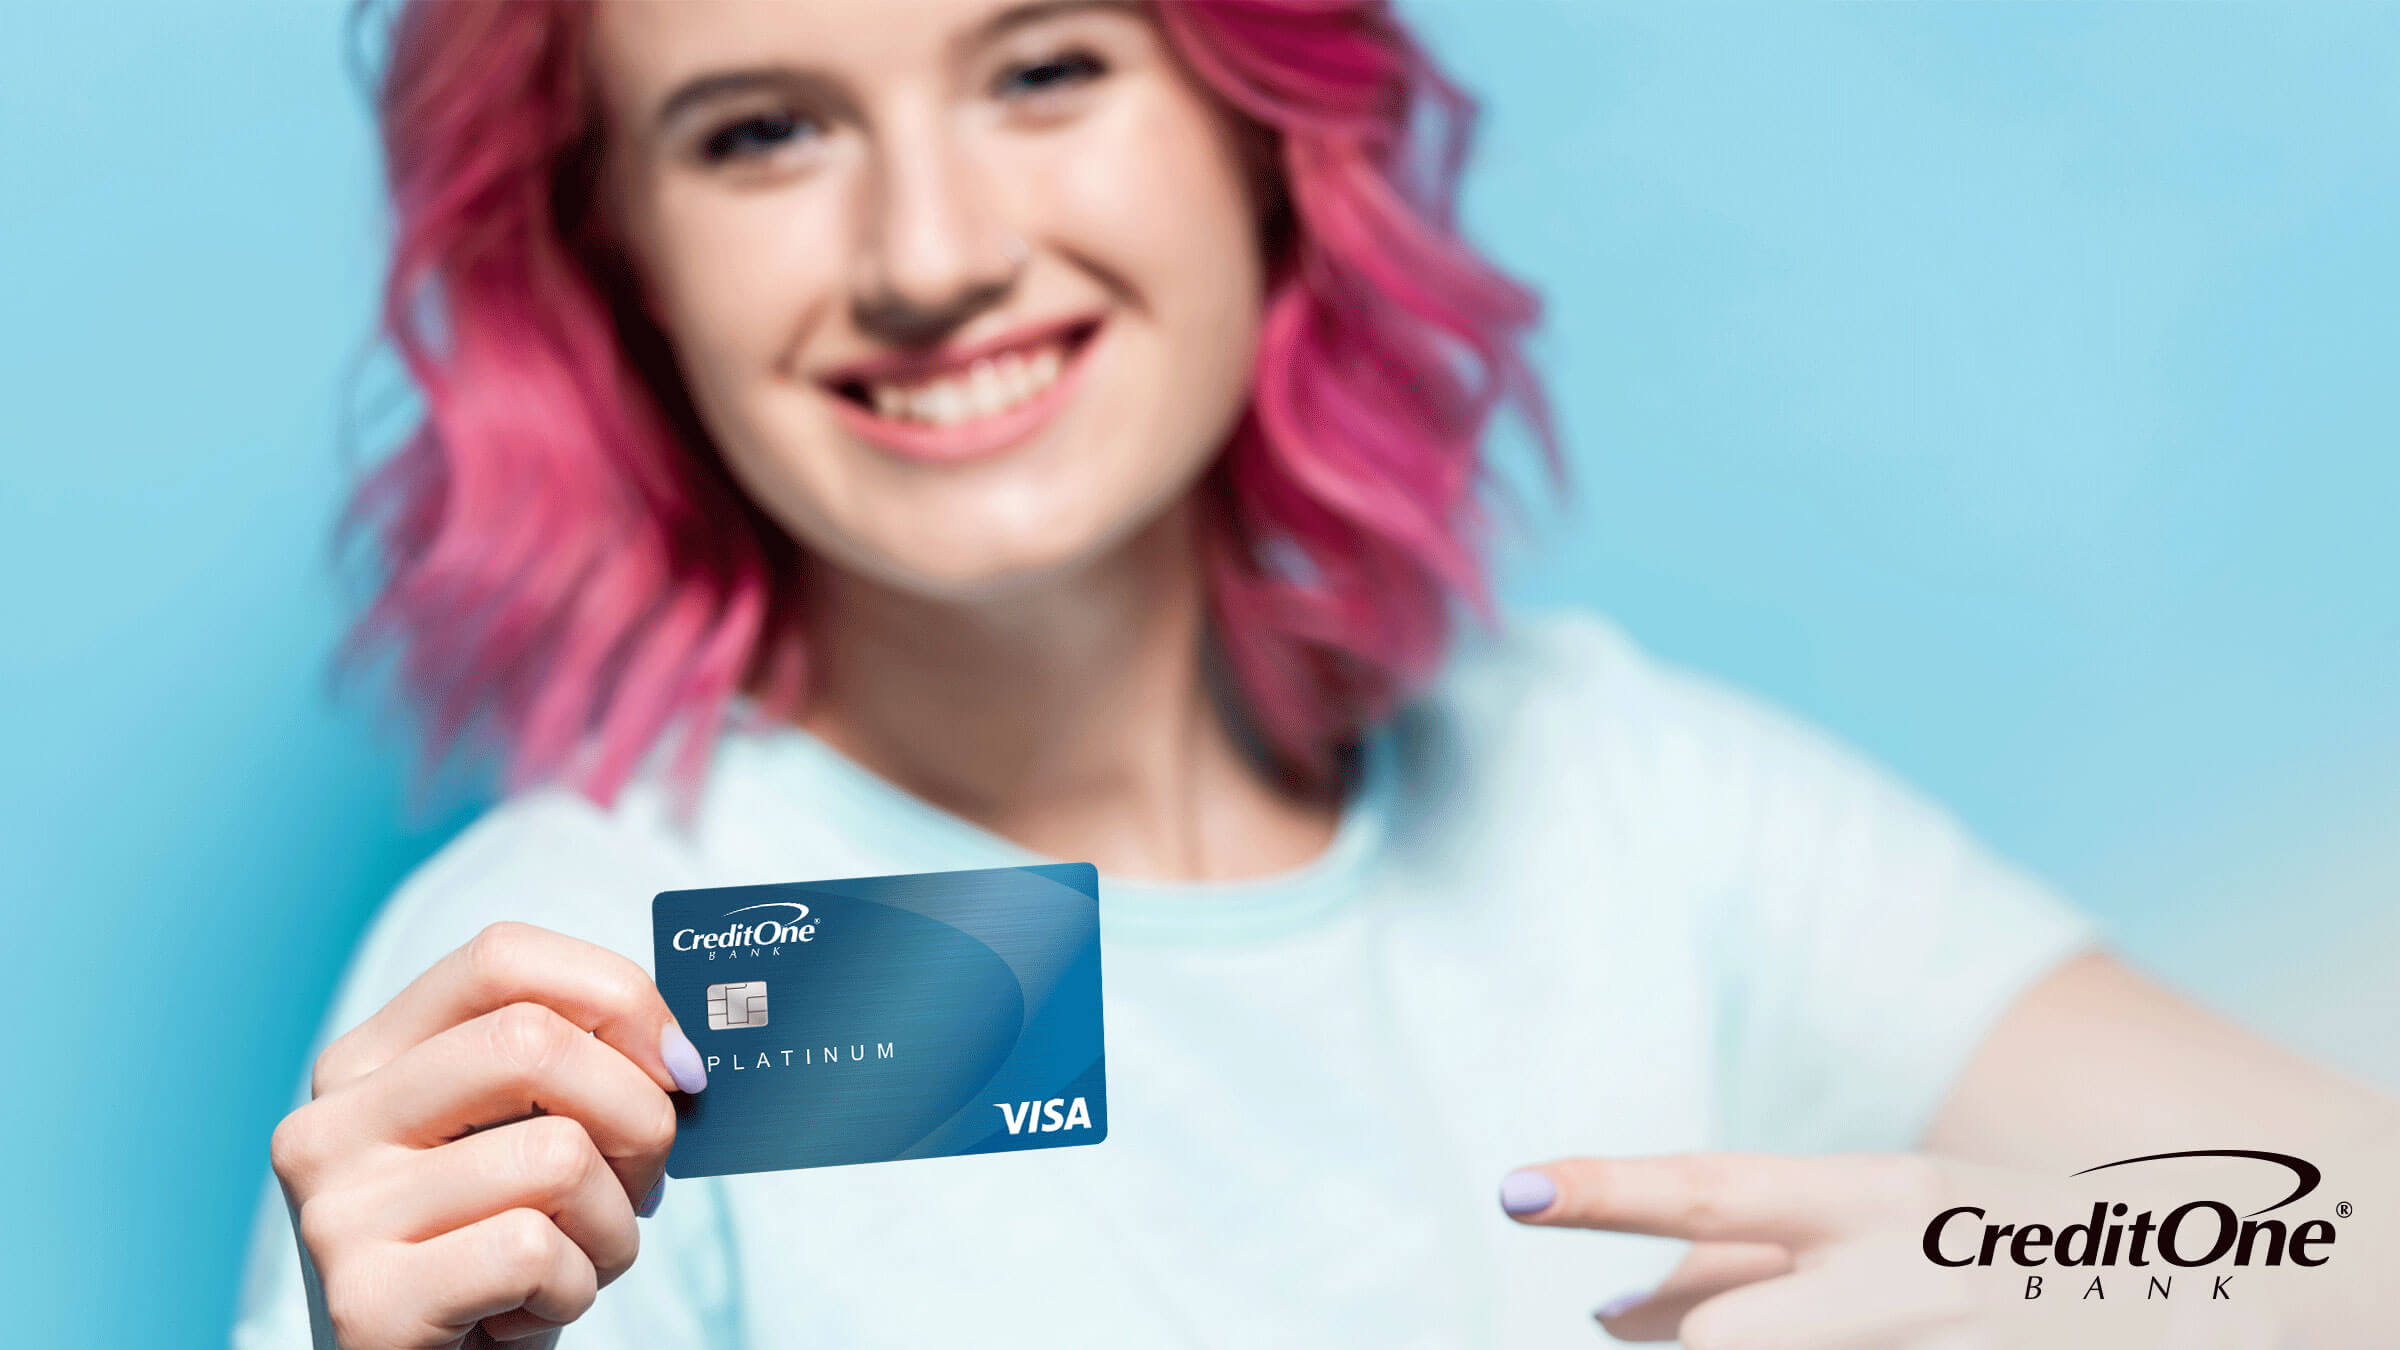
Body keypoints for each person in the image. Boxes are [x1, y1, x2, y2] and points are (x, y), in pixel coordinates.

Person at [236, 1, 2399, 1347]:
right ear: (618, 252)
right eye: (759, 132)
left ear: (1265, 126)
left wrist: (2027, 1277)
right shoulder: (573, 980)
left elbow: (2359, 1235)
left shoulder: (1621, 796)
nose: (928, 253)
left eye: (1048, 65)